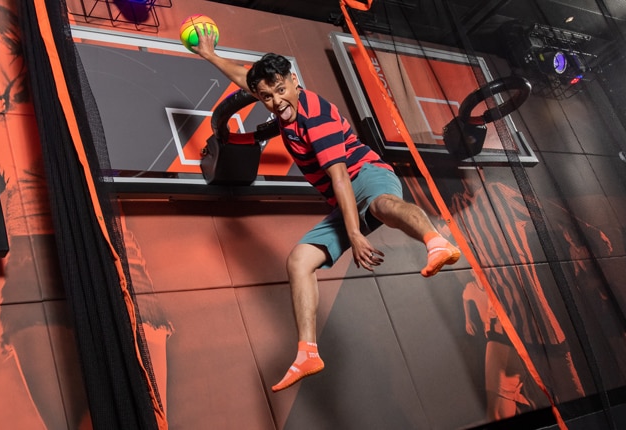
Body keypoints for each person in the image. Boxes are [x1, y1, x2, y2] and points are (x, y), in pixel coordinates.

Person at [192, 26, 461, 392]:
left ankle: (436, 241)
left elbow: (340, 179)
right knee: (299, 261)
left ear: (294, 81)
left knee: (382, 206)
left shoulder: (314, 118)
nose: (275, 102)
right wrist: (209, 55)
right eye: (266, 97)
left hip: (365, 176)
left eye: (280, 90)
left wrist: (353, 234)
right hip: (345, 199)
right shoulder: (277, 99)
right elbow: (247, 79)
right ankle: (307, 353)